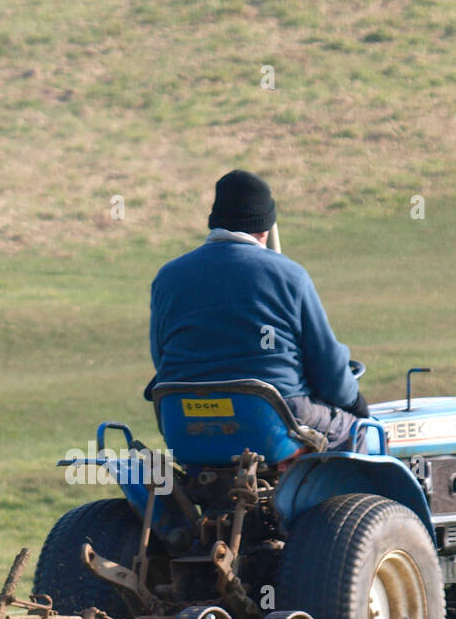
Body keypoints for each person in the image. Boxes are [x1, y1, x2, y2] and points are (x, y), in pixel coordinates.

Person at [147, 169, 368, 452]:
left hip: (183, 418)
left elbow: (160, 356)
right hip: (274, 416)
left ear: (214, 222)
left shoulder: (167, 277)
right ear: (265, 228)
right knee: (362, 432)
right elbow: (325, 362)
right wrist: (353, 401)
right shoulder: (289, 275)